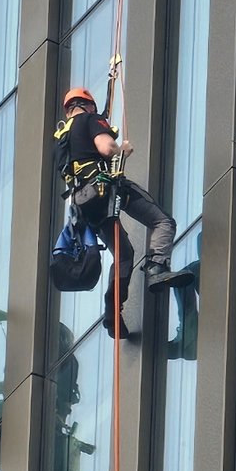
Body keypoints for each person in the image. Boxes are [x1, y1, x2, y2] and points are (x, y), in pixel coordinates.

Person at [56, 87, 194, 338]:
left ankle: (112, 314)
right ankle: (156, 268)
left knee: (123, 255)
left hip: (82, 203)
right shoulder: (90, 119)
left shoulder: (62, 137)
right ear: (89, 105)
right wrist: (123, 151)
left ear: (68, 111)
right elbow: (107, 148)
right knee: (163, 222)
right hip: (103, 188)